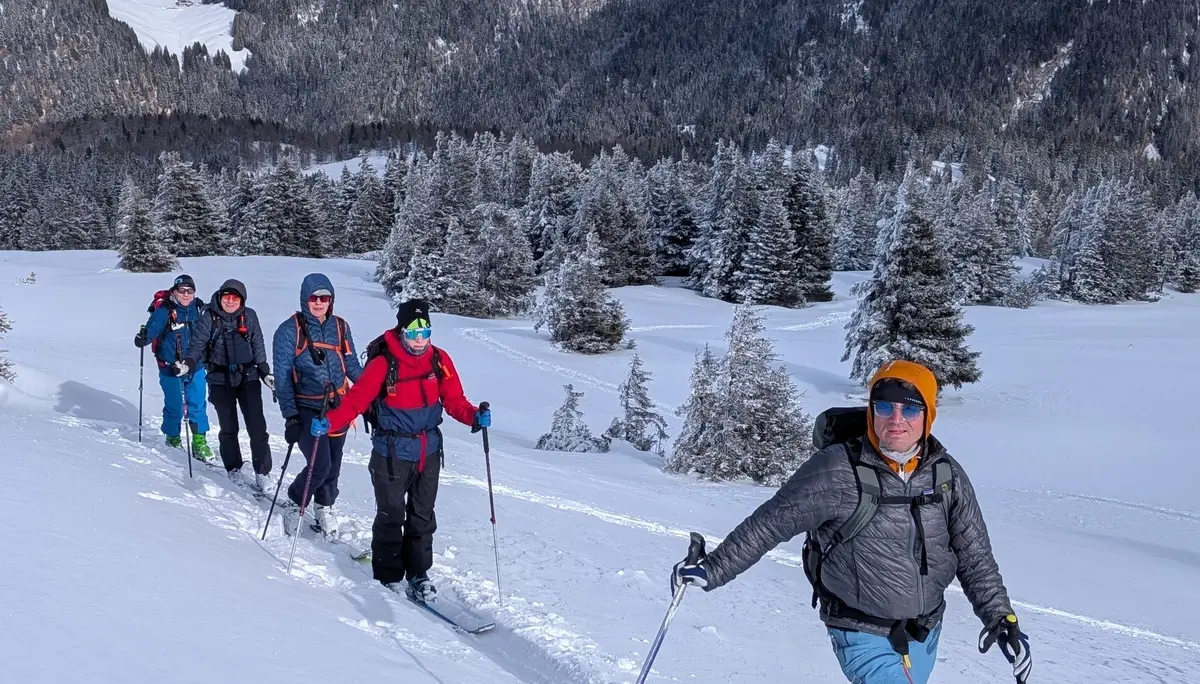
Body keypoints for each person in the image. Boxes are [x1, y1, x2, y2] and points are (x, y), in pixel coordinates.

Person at [670, 360, 1032, 684]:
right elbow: (770, 523)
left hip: (925, 632)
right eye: (885, 406)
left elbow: (975, 557)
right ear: (871, 411)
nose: (896, 419)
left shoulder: (946, 475)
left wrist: (1001, 620)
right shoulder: (836, 470)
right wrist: (713, 568)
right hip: (859, 630)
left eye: (910, 409)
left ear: (928, 415)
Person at [311, 298, 490, 602]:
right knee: (391, 515)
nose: (419, 339)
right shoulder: (384, 362)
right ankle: (388, 575)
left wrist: (473, 416)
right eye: (413, 332)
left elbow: (454, 399)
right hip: (390, 452)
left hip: (428, 450)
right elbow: (356, 401)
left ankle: (419, 574)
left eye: (425, 331)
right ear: (402, 330)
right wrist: (329, 422)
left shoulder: (439, 360)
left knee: (422, 516)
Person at [271, 273, 363, 538]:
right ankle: (294, 501)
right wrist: (290, 416)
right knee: (319, 462)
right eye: (315, 298)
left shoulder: (341, 327)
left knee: (334, 462)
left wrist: (373, 389)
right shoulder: (290, 330)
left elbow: (352, 365)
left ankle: (325, 505)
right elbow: (283, 377)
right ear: (305, 299)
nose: (320, 303)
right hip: (306, 407)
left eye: (325, 298)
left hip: (338, 405)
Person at [178, 279, 274, 494]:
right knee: (229, 427)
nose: (230, 301)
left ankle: (262, 471)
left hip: (248, 376)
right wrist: (188, 364)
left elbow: (257, 343)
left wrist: (265, 371)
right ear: (220, 297)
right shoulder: (208, 317)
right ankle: (234, 468)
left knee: (257, 426)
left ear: (242, 299)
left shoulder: (249, 315)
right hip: (219, 378)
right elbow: (197, 346)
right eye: (226, 297)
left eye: (235, 297)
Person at [134, 274, 212, 460]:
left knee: (198, 404)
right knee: (175, 405)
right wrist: (143, 338)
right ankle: (173, 438)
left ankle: (199, 441)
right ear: (174, 292)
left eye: (189, 290)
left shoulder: (200, 308)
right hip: (170, 366)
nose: (186, 294)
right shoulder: (165, 310)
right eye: (181, 290)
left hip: (196, 365)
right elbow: (153, 329)